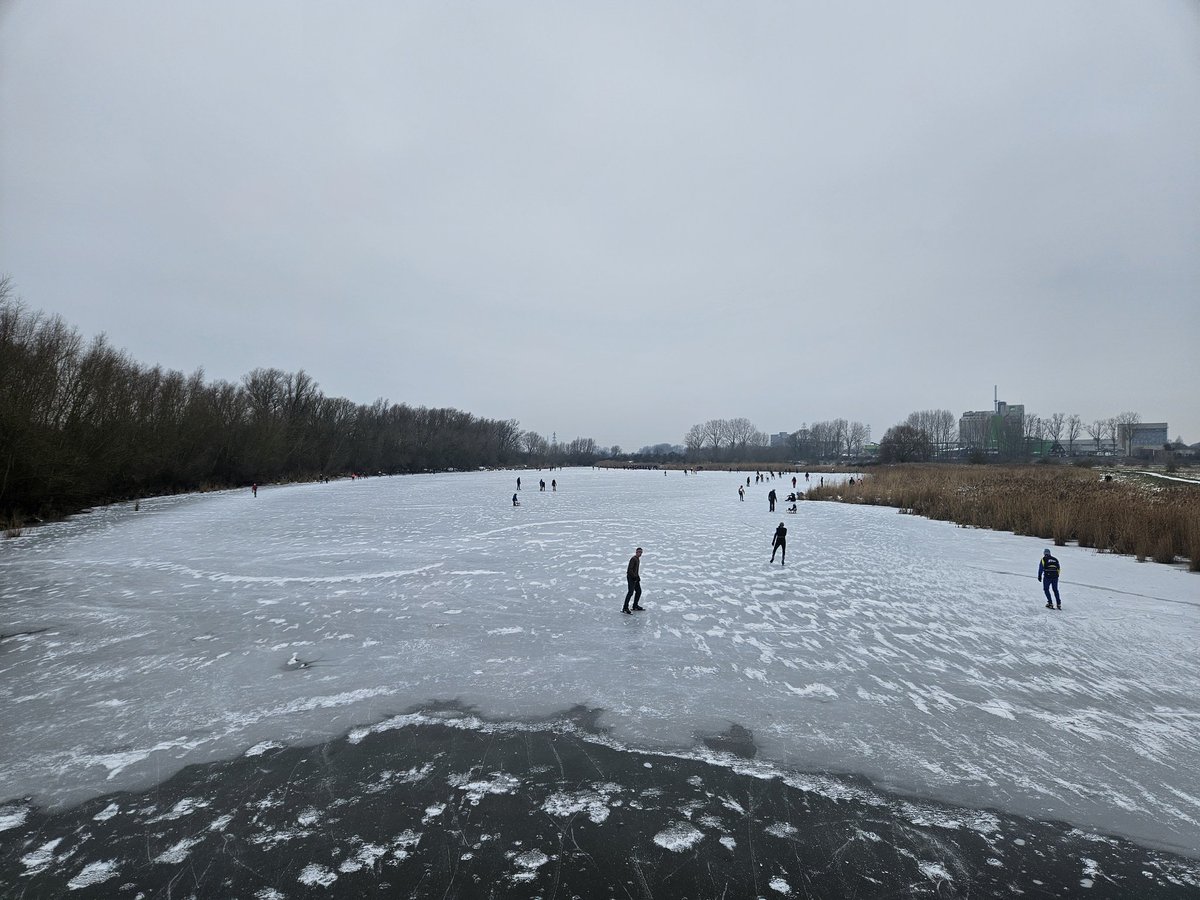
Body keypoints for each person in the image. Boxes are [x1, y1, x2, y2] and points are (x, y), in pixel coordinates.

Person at [622, 547, 644, 614]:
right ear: (636, 552)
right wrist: (634, 577)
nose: (640, 553)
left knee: (639, 591)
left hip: (635, 578)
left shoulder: (637, 559)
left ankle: (635, 606)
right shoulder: (633, 559)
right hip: (631, 578)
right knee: (630, 592)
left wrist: (638, 577)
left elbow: (635, 570)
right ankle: (625, 608)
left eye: (641, 552)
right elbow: (629, 570)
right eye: (639, 552)